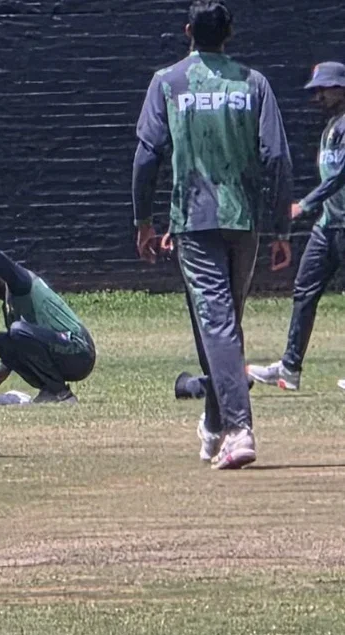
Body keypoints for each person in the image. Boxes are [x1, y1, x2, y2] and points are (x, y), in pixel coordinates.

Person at [132, 1, 293, 469]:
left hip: (194, 219)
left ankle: (240, 429)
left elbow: (146, 157)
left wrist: (143, 221)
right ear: (230, 34)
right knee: (223, 324)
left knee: (217, 323)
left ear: (187, 32)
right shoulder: (253, 83)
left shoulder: (168, 81)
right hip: (243, 220)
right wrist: (281, 226)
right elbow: (277, 158)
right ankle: (213, 425)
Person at [247, 62, 345, 391]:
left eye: (325, 89)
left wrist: (304, 205)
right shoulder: (332, 126)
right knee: (304, 290)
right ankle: (290, 369)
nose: (318, 95)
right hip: (329, 224)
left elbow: (341, 176)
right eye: (316, 90)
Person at [0, 248, 94, 404]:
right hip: (61, 351)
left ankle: (59, 392)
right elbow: (9, 361)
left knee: (17, 330)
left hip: (79, 350)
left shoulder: (20, 284)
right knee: (2, 342)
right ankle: (50, 389)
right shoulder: (10, 306)